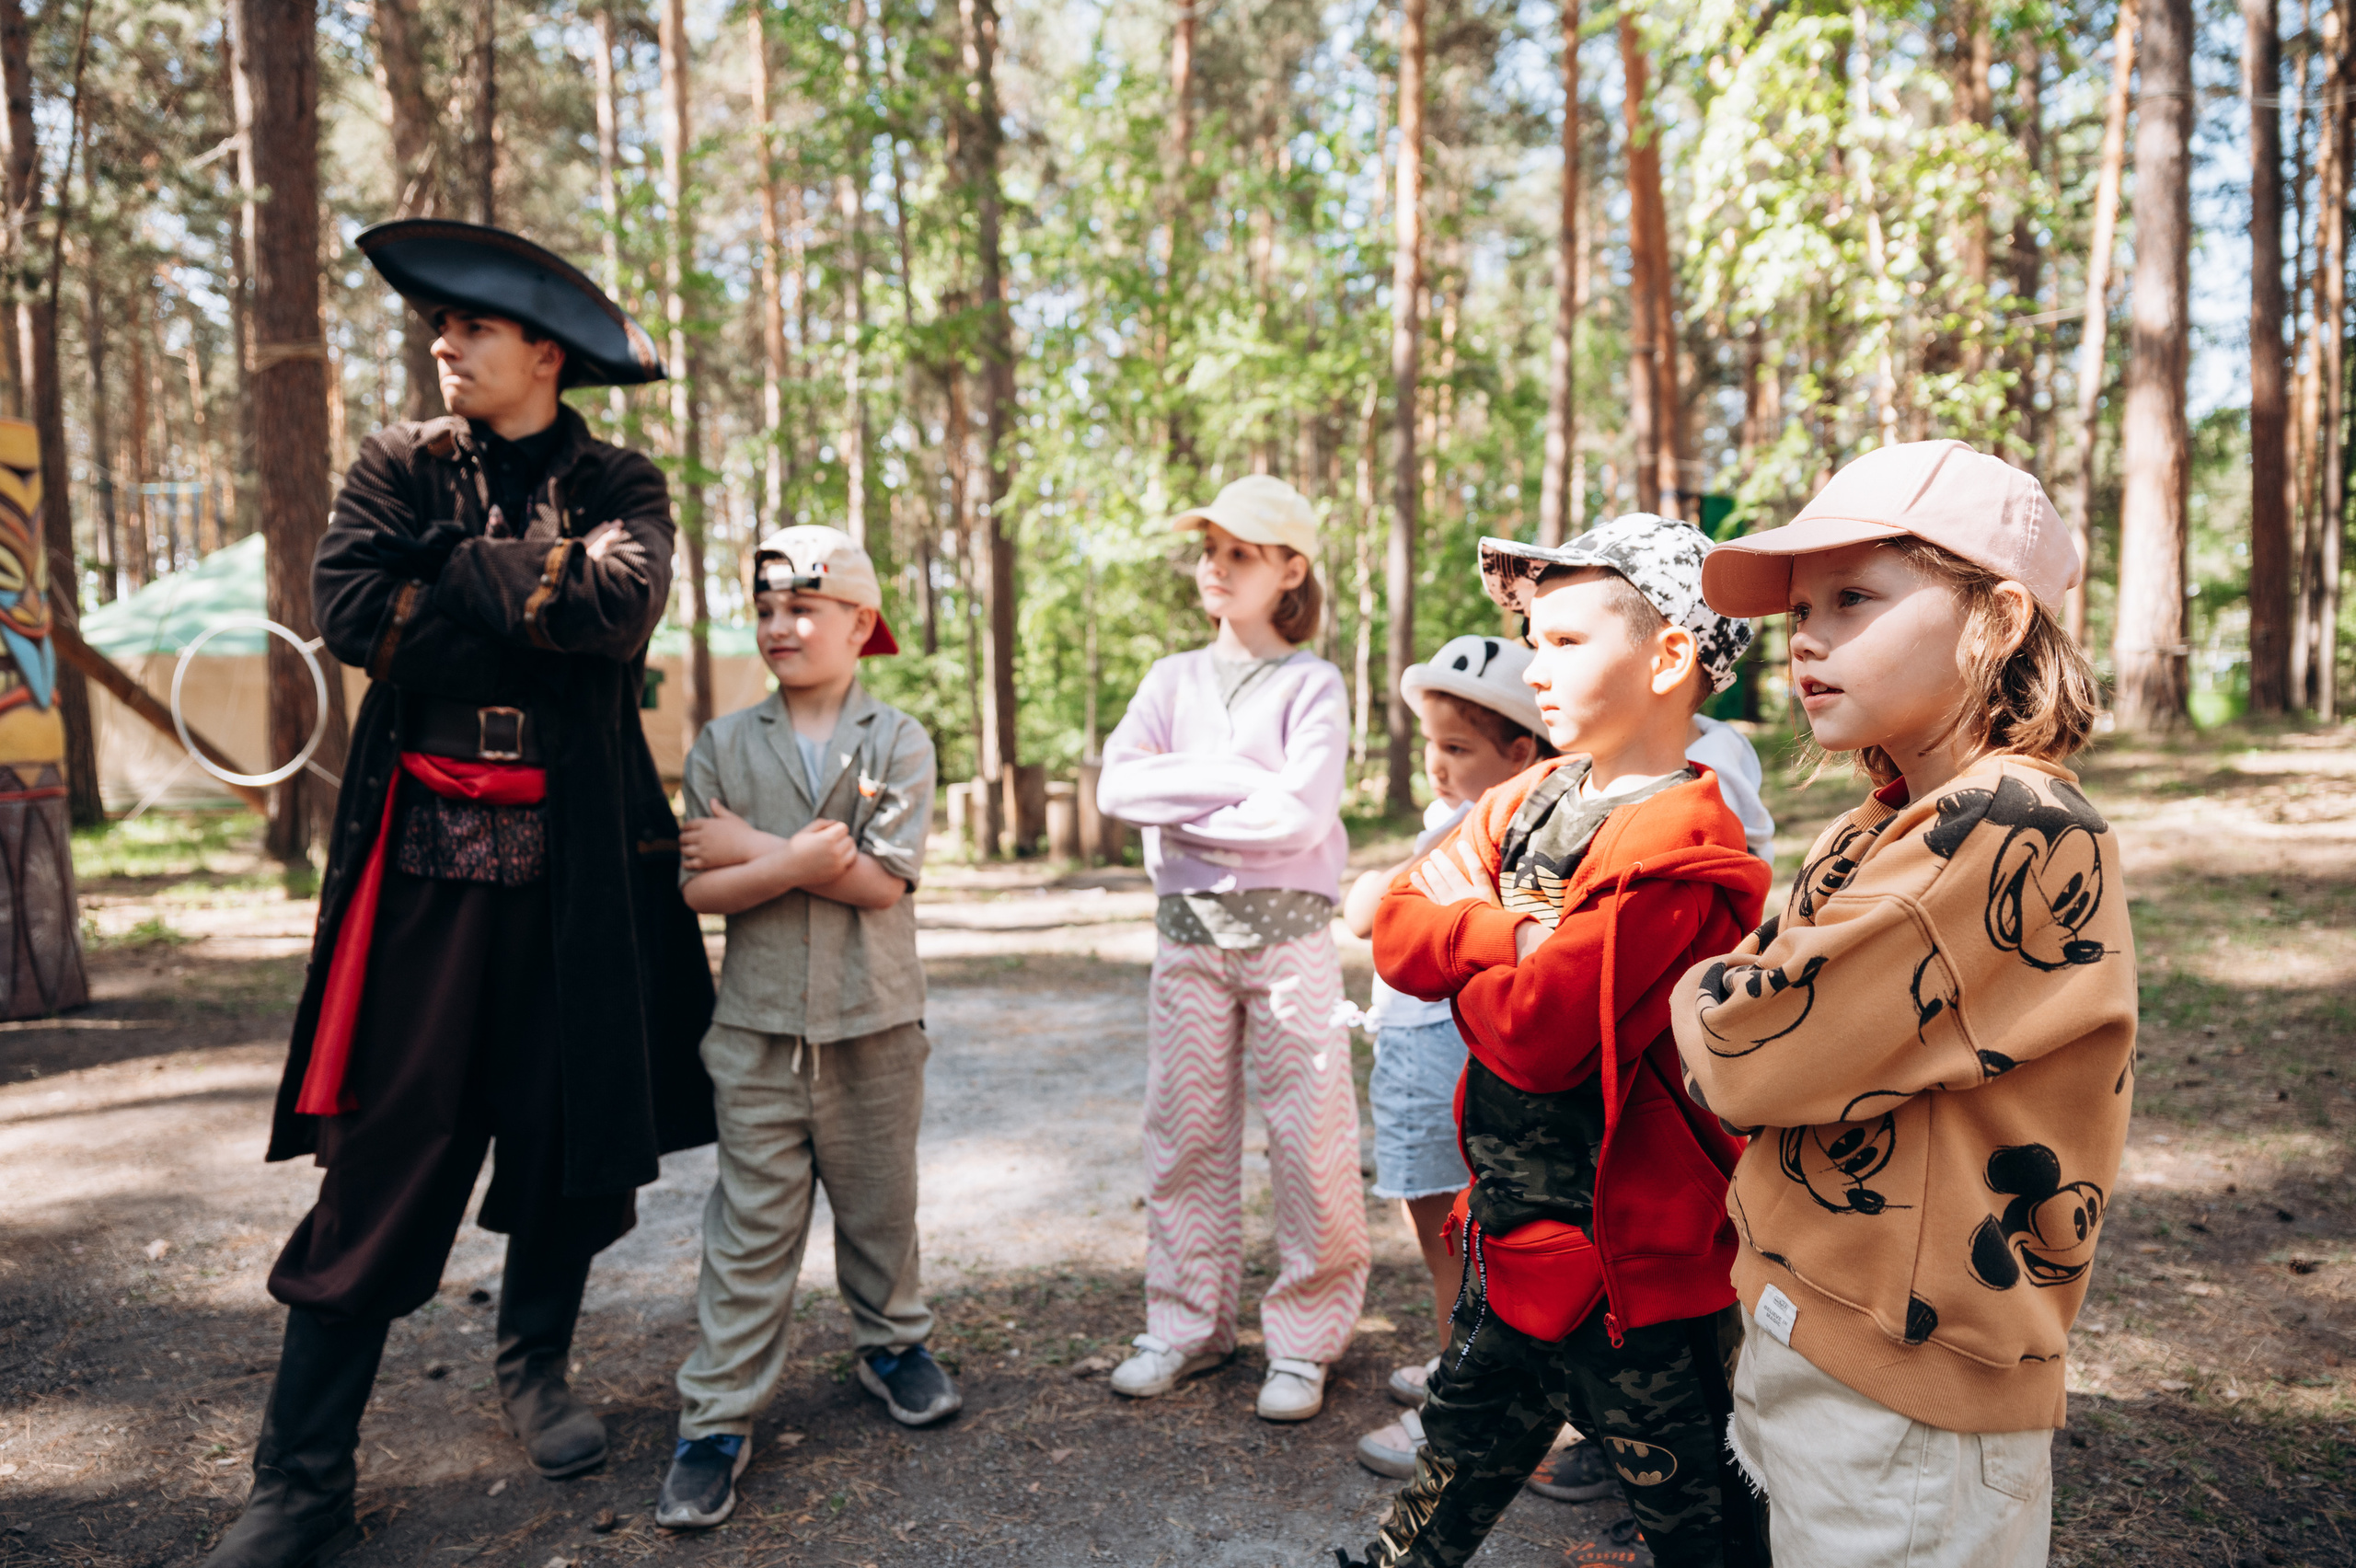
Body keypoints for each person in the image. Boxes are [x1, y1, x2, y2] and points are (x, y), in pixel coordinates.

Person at [206, 220, 717, 1568]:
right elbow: (351, 610)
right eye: (437, 327)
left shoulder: (626, 480)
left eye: (468, 329)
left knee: (566, 1131)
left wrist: (453, 578)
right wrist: (511, 592)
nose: (441, 346)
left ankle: (533, 1362)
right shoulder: (395, 467)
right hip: (424, 868)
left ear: (544, 354)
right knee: (388, 1149)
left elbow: (612, 615)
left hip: (581, 881)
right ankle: (301, 1480)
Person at [1673, 440, 2134, 1568]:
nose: (1807, 639)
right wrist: (1744, 983)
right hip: (1821, 1331)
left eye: (1855, 598)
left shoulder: (2010, 831)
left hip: (1907, 1395)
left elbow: (1742, 1051)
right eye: (1799, 610)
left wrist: (1697, 982)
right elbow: (1776, 1003)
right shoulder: (1883, 818)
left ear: (2000, 618)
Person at [1344, 513, 1773, 1568]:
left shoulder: (1682, 844)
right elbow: (1395, 928)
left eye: (1567, 641)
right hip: (1513, 1228)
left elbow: (1539, 1040)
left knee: (1696, 1514)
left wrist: (1468, 972)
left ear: (1669, 656)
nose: (1535, 668)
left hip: (1636, 1267)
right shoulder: (1531, 792)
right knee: (1454, 1459)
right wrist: (1503, 936)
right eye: (1534, 639)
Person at [655, 525, 955, 1529]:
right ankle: (715, 1419)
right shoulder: (722, 745)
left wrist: (762, 854)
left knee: (880, 1207)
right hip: (755, 1035)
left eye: (805, 608)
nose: (781, 626)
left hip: (875, 1026)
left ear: (859, 622)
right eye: (768, 608)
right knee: (749, 1233)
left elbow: (879, 884)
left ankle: (893, 1345)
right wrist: (791, 860)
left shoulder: (898, 739)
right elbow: (702, 885)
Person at [1095, 475, 1369, 1424]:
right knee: (1182, 1134)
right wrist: (1230, 786)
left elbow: (1298, 815)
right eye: (1209, 549)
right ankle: (1184, 1325)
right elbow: (1117, 790)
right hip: (1187, 943)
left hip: (1290, 941)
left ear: (1289, 569)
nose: (1215, 567)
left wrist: (1189, 808)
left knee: (1310, 1136)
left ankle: (1303, 1341)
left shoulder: (1313, 683)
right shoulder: (1168, 679)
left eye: (1240, 553)